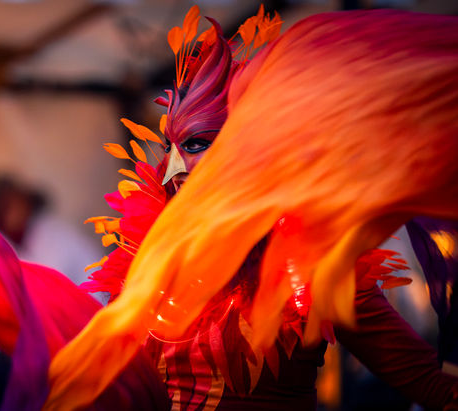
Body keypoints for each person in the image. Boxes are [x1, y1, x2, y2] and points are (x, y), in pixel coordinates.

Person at [77, 6, 458, 410]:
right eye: (168, 147)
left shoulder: (310, 262)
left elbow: (428, 385)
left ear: (245, 145)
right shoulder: (146, 254)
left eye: (194, 144)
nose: (172, 168)